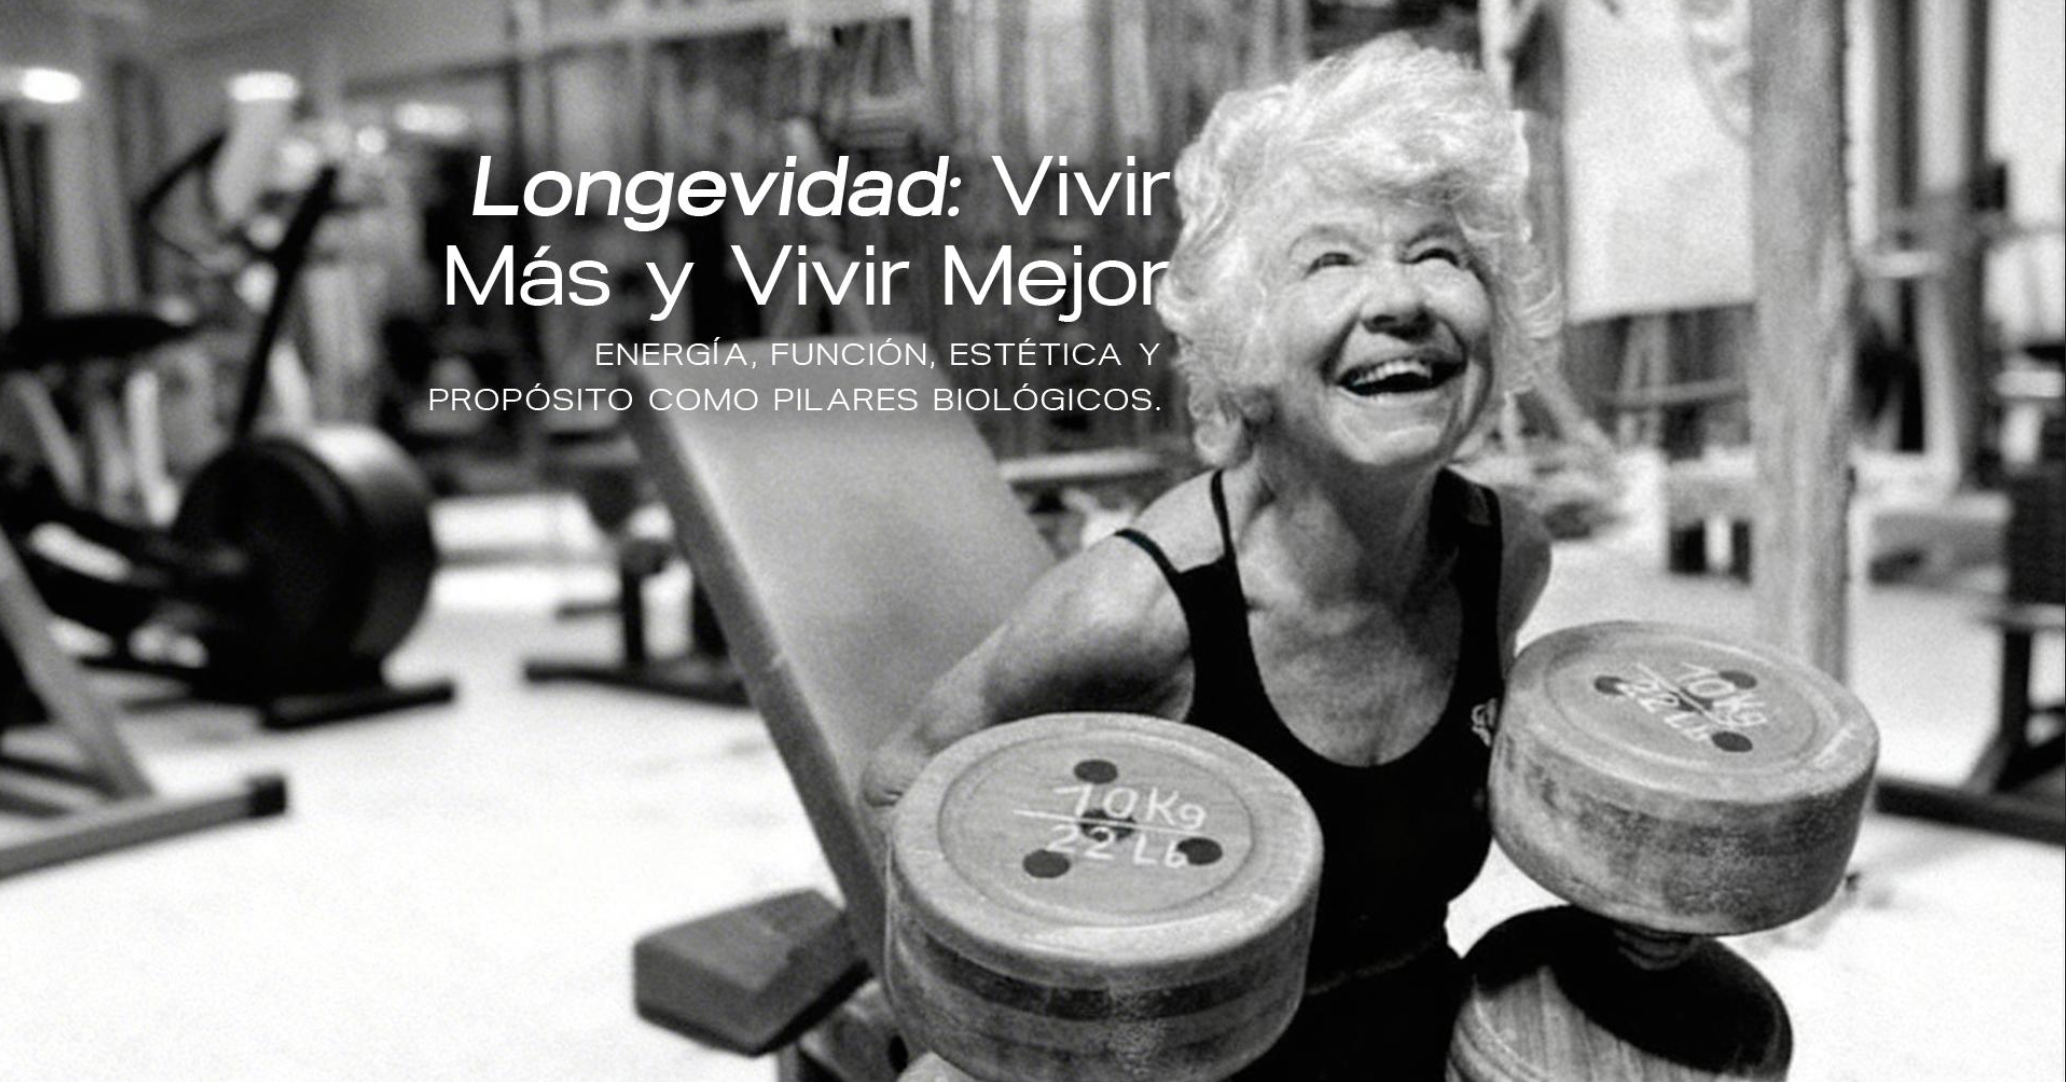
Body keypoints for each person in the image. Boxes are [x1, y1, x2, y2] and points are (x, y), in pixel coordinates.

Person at [863, 37, 1558, 1080]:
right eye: (1330, 260)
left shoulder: (1503, 557)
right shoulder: (1129, 612)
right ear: (1245, 356)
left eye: (1437, 254)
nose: (1400, 298)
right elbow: (897, 786)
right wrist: (1005, 1018)